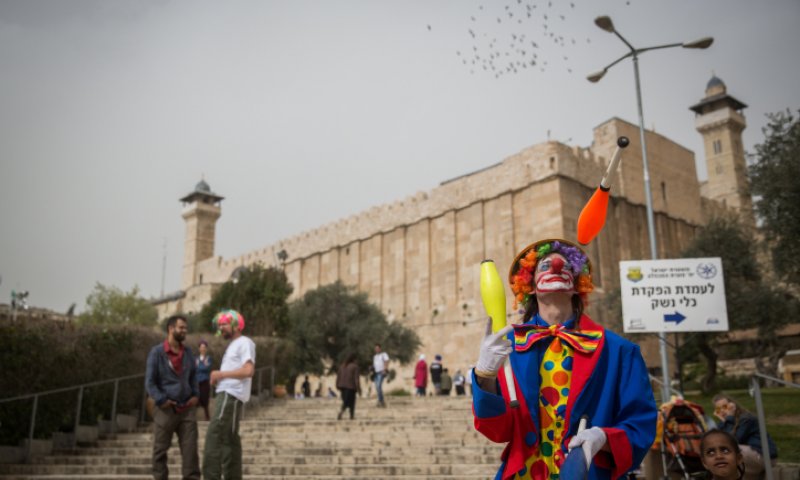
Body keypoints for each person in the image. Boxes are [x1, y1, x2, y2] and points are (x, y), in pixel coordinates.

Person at [472, 238, 657, 479]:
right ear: (529, 284)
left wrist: (603, 438)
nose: (558, 266)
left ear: (578, 285)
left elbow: (640, 425)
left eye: (567, 267)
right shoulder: (508, 350)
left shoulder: (619, 351)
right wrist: (485, 376)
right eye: (545, 267)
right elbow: (497, 431)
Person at [145, 315, 200, 480]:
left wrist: (196, 395)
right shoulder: (156, 353)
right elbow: (149, 382)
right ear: (171, 329)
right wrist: (161, 400)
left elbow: (194, 377)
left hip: (187, 410)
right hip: (165, 409)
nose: (185, 331)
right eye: (181, 327)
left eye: (185, 328)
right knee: (159, 452)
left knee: (191, 453)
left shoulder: (188, 352)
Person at [202, 309, 256, 480]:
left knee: (214, 434)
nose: (221, 328)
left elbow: (248, 370)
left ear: (236, 325)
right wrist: (218, 378)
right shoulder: (232, 346)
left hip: (230, 395)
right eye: (220, 325)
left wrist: (221, 375)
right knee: (229, 439)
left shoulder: (244, 342)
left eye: (224, 324)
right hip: (227, 393)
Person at [712, 394, 778, 480]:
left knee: (728, 451)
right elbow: (719, 440)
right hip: (748, 456)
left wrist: (729, 418)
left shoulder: (746, 419)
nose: (722, 411)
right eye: (718, 409)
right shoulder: (728, 422)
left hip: (763, 456)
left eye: (724, 406)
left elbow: (733, 441)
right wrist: (723, 421)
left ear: (732, 405)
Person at [336, 353, 360, 420]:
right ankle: (343, 412)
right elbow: (356, 379)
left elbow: (338, 376)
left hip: (342, 386)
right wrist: (358, 389)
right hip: (351, 386)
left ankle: (351, 416)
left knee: (346, 401)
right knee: (351, 401)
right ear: (354, 359)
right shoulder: (355, 367)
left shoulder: (342, 366)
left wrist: (337, 385)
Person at [196, 340, 213, 421]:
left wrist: (200, 366)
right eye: (201, 347)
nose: (203, 349)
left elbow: (206, 368)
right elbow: (195, 369)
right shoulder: (196, 359)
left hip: (205, 381)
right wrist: (202, 365)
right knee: (196, 398)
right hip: (197, 382)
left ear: (206, 349)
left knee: (205, 399)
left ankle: (207, 417)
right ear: (199, 348)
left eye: (204, 347)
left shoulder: (208, 358)